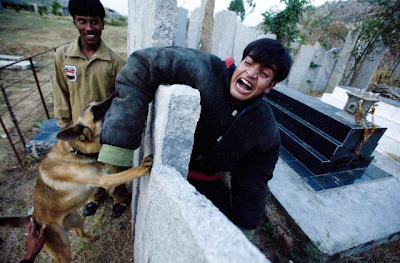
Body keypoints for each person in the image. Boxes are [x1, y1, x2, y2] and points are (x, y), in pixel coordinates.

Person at [98, 38, 292, 239]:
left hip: (209, 186)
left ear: (270, 85)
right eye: (249, 63)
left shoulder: (264, 128)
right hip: (162, 171)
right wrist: (119, 141)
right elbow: (143, 64)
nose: (250, 74)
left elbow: (254, 180)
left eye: (264, 74)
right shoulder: (205, 70)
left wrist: (245, 229)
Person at [53, 0, 128, 218]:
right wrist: (65, 126)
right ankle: (95, 197)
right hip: (79, 132)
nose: (89, 28)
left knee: (112, 166)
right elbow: (60, 92)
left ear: (102, 25)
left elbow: (122, 98)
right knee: (87, 167)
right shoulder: (63, 56)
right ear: (74, 22)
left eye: (94, 22)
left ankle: (120, 198)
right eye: (82, 21)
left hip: (106, 129)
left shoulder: (115, 62)